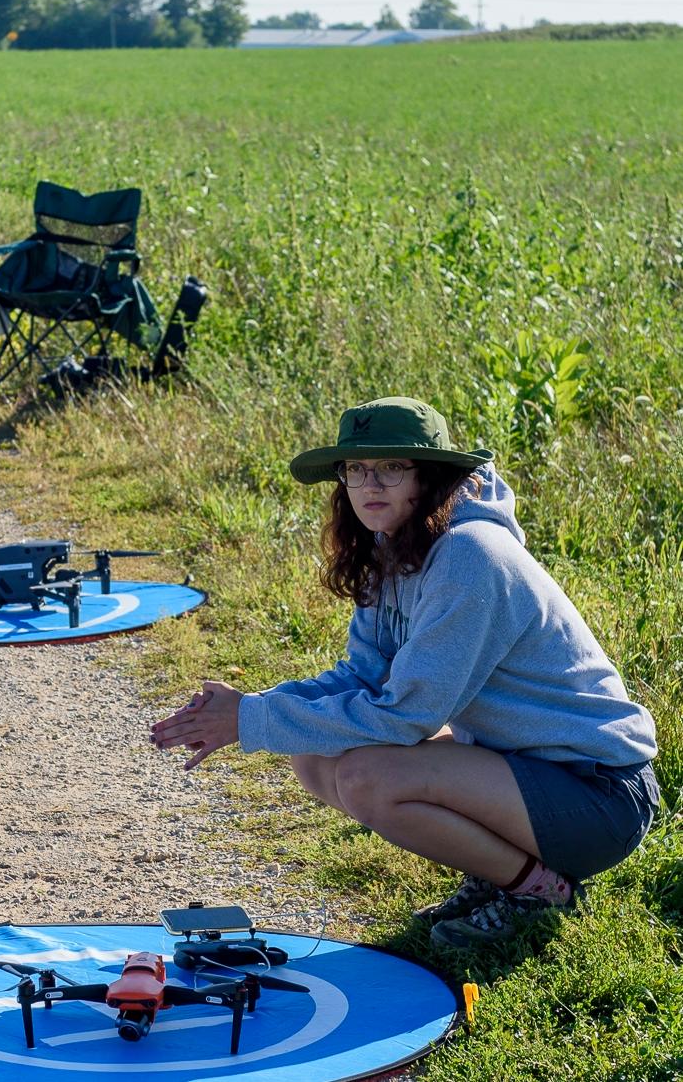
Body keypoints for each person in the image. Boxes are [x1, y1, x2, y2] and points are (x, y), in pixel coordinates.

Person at [151, 397, 659, 948]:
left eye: (392, 467)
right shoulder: (395, 544)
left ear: (432, 476)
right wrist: (250, 707)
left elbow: (407, 715)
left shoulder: (471, 555)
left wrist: (249, 719)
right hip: (523, 770)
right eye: (356, 469)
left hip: (598, 794)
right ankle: (499, 871)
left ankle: (537, 889)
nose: (371, 483)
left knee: (370, 777)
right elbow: (364, 676)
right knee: (316, 756)